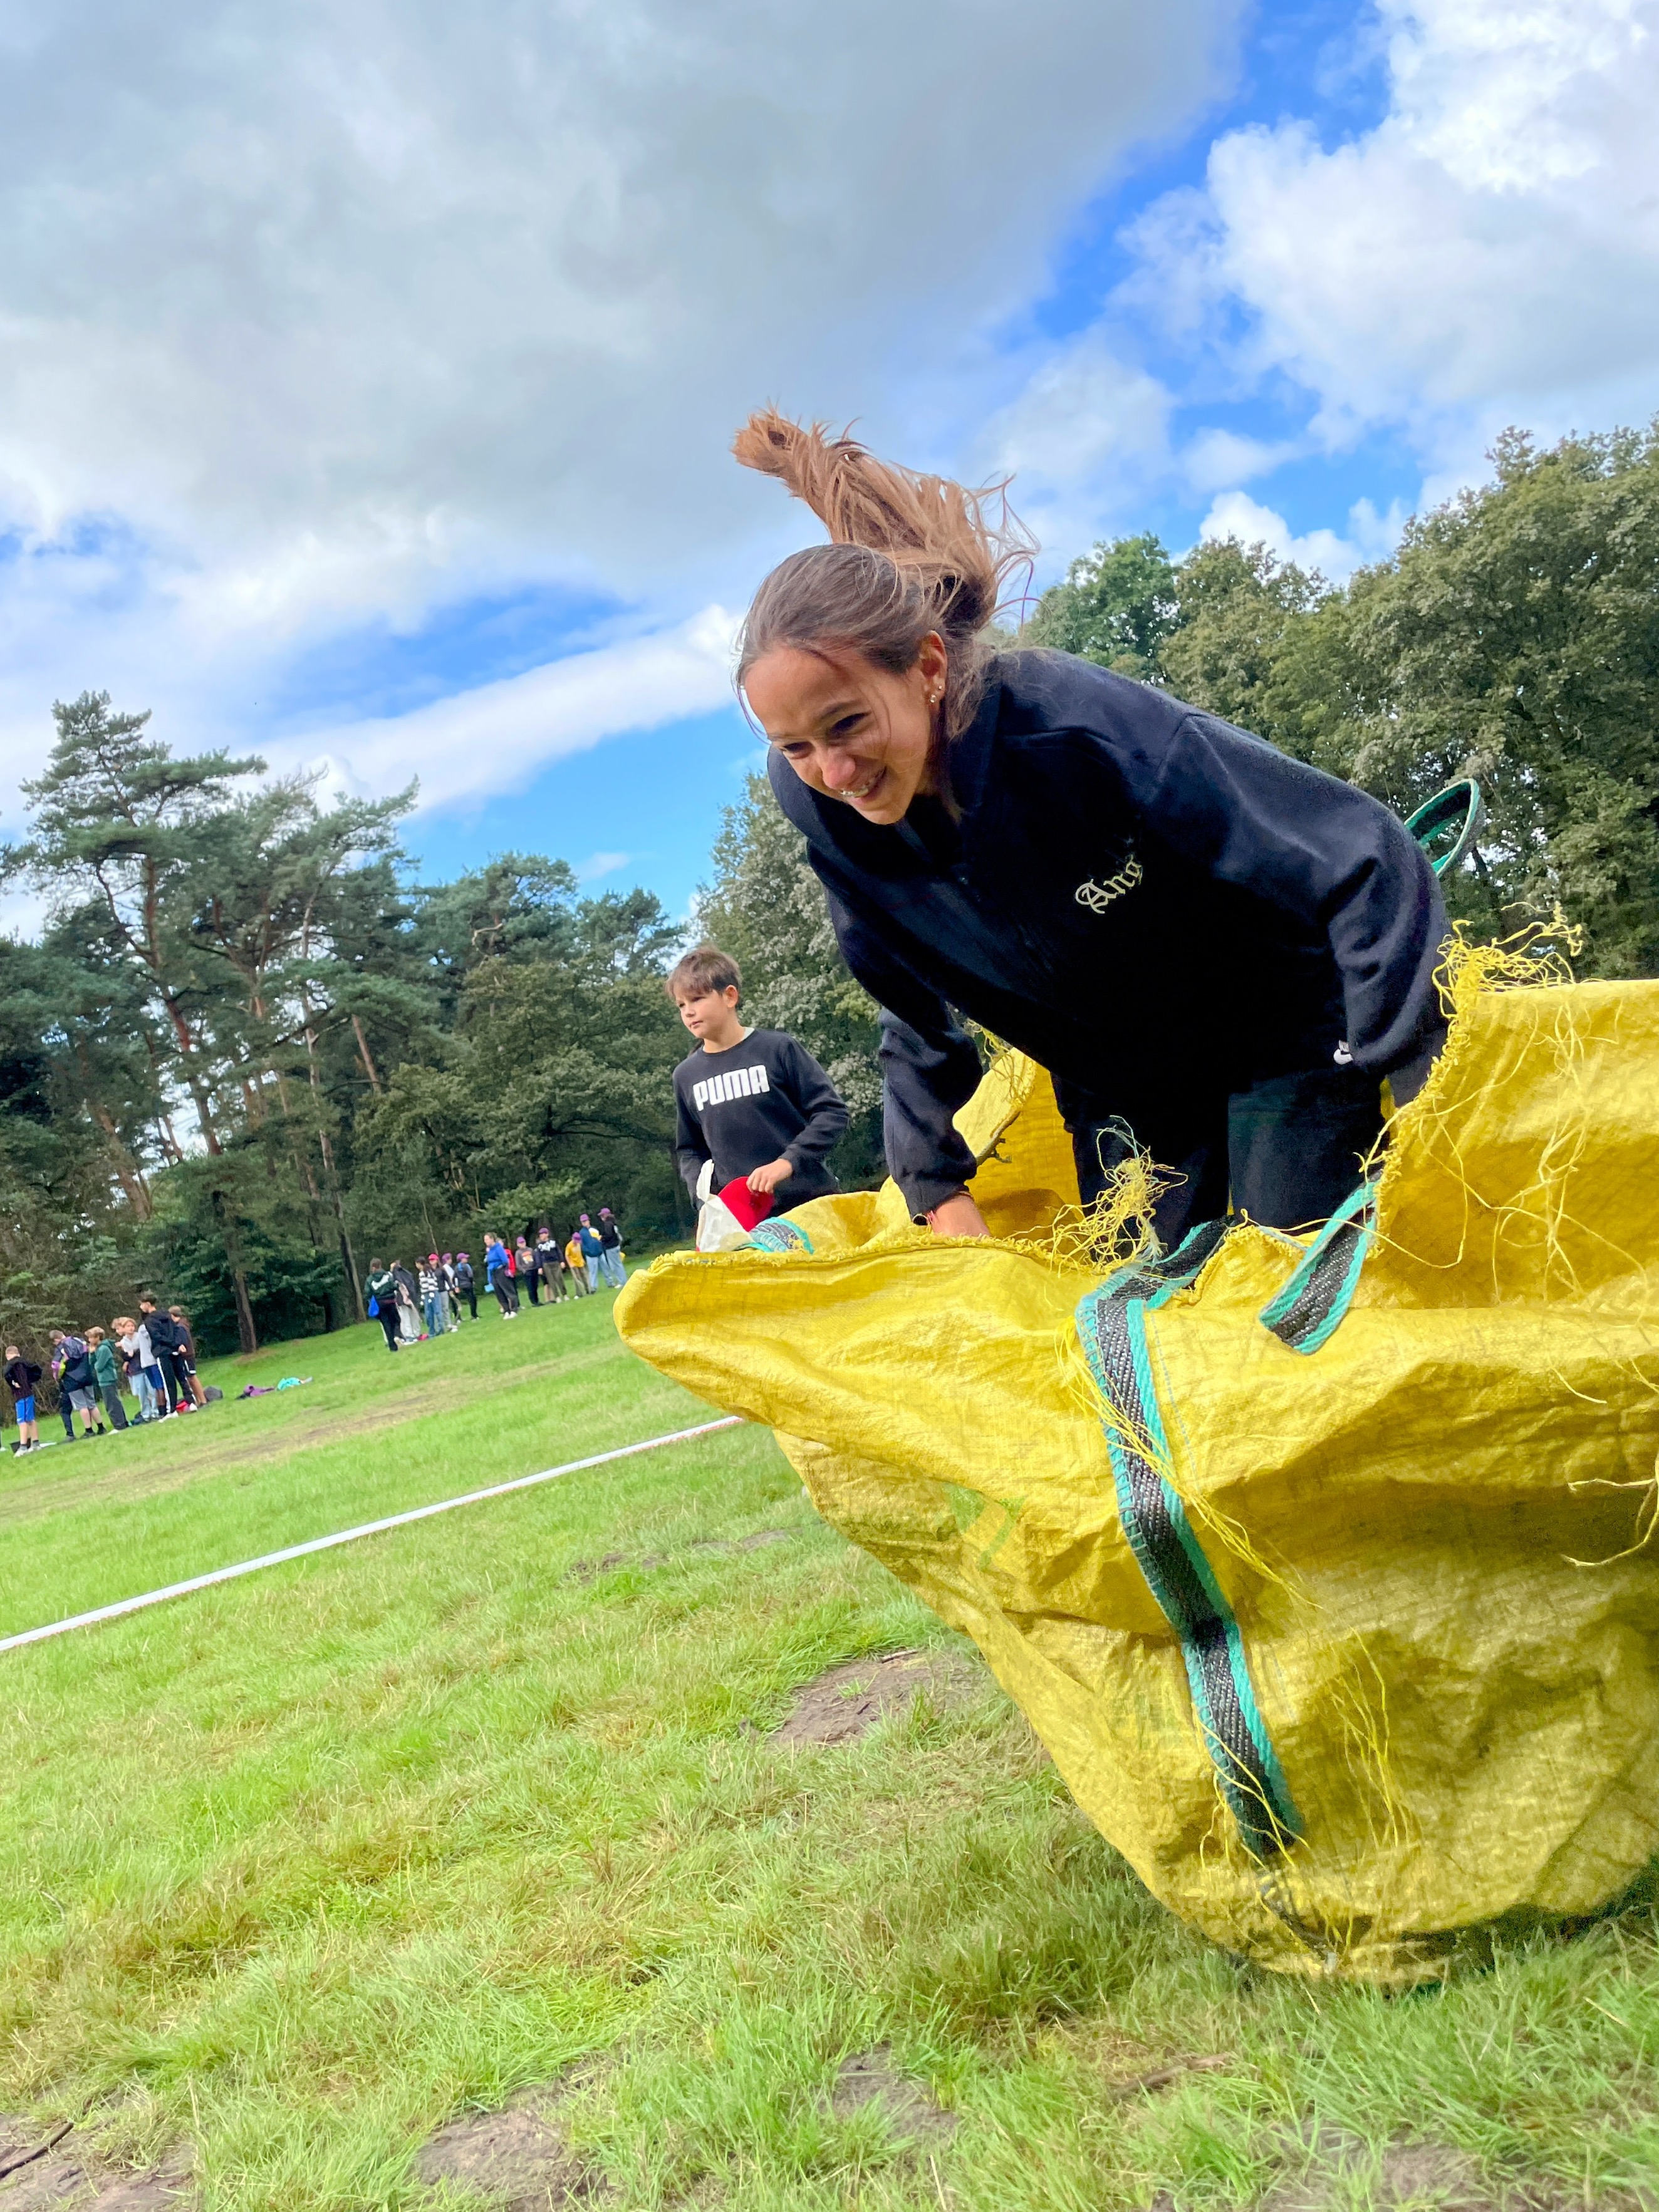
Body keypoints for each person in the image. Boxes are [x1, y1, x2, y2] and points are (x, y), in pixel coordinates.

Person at [729, 410, 1447, 1246]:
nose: (833, 770)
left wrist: (1427, 1090)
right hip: (1123, 1099)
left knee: (1282, 1273)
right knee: (1141, 1308)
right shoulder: (829, 816)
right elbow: (912, 1008)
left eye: (847, 723)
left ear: (926, 666)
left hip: (1282, 1036)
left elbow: (1360, 855)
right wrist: (932, 1180)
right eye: (796, 746)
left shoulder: (1079, 733)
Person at [668, 947, 850, 1237]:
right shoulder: (685, 1076)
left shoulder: (778, 1049)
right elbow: (690, 1150)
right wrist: (704, 1199)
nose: (688, 1011)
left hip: (812, 1208)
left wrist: (788, 1162)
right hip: (744, 1228)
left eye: (697, 999)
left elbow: (832, 1113)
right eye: (681, 1005)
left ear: (730, 996)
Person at [139, 1298, 192, 1413]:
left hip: (163, 1352)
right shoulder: (167, 1314)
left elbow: (156, 1336)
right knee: (181, 1377)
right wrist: (177, 1344)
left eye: (142, 1304)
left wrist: (171, 1344)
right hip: (174, 1350)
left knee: (168, 1381)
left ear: (148, 1304)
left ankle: (172, 1410)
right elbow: (175, 1330)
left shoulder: (149, 1320)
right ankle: (191, 1402)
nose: (141, 1307)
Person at [51, 1329, 107, 1436]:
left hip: (72, 1380)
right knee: (92, 1404)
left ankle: (89, 1431)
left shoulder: (60, 1349)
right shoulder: (80, 1341)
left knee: (82, 1406)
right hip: (87, 1375)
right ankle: (101, 1428)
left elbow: (57, 1366)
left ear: (56, 1340)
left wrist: (57, 1376)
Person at [115, 1317, 164, 1420]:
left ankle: (156, 1412)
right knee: (141, 1394)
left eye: (132, 1326)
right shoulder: (123, 1342)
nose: (131, 1328)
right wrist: (127, 1355)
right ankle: (146, 1414)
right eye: (128, 1326)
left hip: (145, 1366)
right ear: (124, 1328)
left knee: (152, 1390)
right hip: (135, 1370)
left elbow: (144, 1349)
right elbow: (125, 1357)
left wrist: (133, 1352)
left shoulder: (139, 1336)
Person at [86, 1327, 130, 1430]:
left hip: (108, 1379)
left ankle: (119, 1425)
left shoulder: (103, 1349)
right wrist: (92, 1353)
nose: (89, 1340)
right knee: (112, 1402)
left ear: (98, 1337)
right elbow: (91, 1363)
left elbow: (99, 1367)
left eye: (91, 1338)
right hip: (103, 1379)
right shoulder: (98, 1349)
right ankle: (123, 1423)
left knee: (112, 1404)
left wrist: (96, 1364)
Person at [169, 1308, 208, 1406]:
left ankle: (203, 1400)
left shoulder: (180, 1327)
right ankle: (198, 1401)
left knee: (192, 1378)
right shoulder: (182, 1325)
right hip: (187, 1355)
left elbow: (183, 1342)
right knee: (190, 1378)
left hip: (187, 1356)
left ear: (173, 1315)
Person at [5, 1347, 41, 1452]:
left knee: (22, 1421)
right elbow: (36, 1371)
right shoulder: (26, 1363)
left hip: (21, 1395)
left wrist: (14, 1383)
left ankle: (23, 1446)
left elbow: (6, 1375)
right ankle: (36, 1443)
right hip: (29, 1393)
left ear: (8, 1356)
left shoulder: (11, 1365)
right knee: (30, 1419)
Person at [366, 1259, 401, 1351]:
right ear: (380, 1265)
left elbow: (368, 1292)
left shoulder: (370, 1279)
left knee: (386, 1324)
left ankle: (392, 1346)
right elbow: (393, 1286)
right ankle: (396, 1336)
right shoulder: (387, 1275)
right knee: (396, 1320)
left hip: (380, 1304)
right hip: (391, 1301)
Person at [484, 1234, 517, 1317]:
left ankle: (514, 1310)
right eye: (485, 1240)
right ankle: (507, 1311)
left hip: (501, 1270)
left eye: (487, 1239)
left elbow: (505, 1260)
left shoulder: (498, 1248)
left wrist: (504, 1269)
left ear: (492, 1239)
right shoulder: (489, 1251)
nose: (486, 1241)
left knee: (508, 1290)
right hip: (493, 1273)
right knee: (499, 1292)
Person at [596, 1208, 628, 1289]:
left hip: (611, 1247)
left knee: (615, 1266)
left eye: (602, 1215)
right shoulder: (613, 1223)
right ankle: (624, 1280)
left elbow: (608, 1235)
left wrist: (602, 1238)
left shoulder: (608, 1224)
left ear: (606, 1215)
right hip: (616, 1245)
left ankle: (622, 1282)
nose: (601, 1217)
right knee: (618, 1264)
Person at [534, 1223, 567, 1302]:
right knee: (551, 1281)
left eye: (543, 1234)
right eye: (540, 1234)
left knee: (559, 1279)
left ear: (547, 1234)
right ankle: (557, 1297)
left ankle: (565, 1294)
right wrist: (540, 1267)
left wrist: (562, 1261)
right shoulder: (539, 1246)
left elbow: (559, 1252)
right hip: (546, 1264)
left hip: (555, 1262)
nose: (541, 1236)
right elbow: (538, 1257)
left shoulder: (553, 1242)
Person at [391, 1261, 422, 1341]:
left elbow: (396, 1286)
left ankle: (409, 1335)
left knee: (405, 1318)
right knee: (413, 1316)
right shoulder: (406, 1273)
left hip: (402, 1299)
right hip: (411, 1297)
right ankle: (417, 1333)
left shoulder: (395, 1275)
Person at [419, 1255, 449, 1336]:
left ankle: (440, 1329)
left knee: (436, 1311)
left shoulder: (426, 1272)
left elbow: (431, 1283)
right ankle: (434, 1330)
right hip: (429, 1293)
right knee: (431, 1313)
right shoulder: (426, 1272)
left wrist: (430, 1294)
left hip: (431, 1293)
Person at [575, 1214, 605, 1293]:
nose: (585, 1222)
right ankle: (593, 1287)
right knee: (593, 1272)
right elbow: (582, 1245)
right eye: (583, 1222)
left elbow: (599, 1238)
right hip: (590, 1255)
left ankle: (610, 1283)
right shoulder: (582, 1233)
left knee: (606, 1268)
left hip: (599, 1252)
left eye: (586, 1221)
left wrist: (600, 1247)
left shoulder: (594, 1229)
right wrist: (588, 1252)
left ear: (589, 1220)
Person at [515, 1233, 541, 1307]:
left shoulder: (530, 1250)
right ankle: (533, 1302)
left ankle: (537, 1300)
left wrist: (537, 1267)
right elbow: (518, 1264)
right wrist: (524, 1271)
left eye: (523, 1242)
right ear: (518, 1244)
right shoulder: (518, 1253)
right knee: (530, 1287)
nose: (522, 1244)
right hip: (527, 1271)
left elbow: (535, 1258)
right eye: (520, 1243)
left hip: (534, 1269)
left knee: (535, 1286)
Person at [563, 1227, 589, 1296]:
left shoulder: (578, 1244)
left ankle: (588, 1290)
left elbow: (579, 1253)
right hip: (574, 1264)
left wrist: (582, 1260)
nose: (577, 1242)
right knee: (577, 1278)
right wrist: (570, 1264)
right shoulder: (569, 1246)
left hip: (580, 1262)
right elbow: (567, 1255)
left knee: (585, 1276)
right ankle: (580, 1293)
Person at [454, 1251, 477, 1321]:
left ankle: (473, 1315)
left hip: (462, 1285)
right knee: (473, 1299)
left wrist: (457, 1286)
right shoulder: (467, 1266)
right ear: (462, 1259)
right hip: (468, 1284)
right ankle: (474, 1315)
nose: (467, 1259)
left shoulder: (456, 1267)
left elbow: (455, 1277)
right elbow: (470, 1275)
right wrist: (471, 1282)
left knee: (469, 1299)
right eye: (465, 1258)